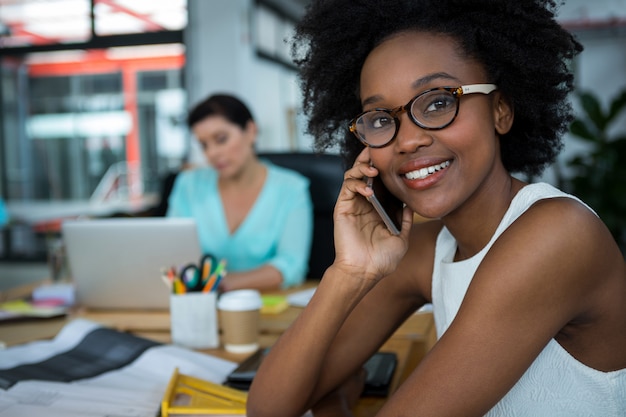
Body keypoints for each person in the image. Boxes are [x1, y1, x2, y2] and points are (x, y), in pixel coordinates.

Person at [247, 1, 626, 416]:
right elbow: (267, 409)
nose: (407, 141)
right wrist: (348, 274)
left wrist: (334, 405)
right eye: (380, 118)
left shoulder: (556, 236)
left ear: (500, 110)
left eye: (438, 103)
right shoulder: (429, 250)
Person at [167, 94, 313, 292]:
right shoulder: (189, 185)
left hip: (265, 305)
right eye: (204, 145)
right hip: (200, 304)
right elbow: (173, 254)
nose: (212, 153)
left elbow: (292, 266)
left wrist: (219, 284)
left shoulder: (291, 189)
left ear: (251, 130)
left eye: (221, 139)